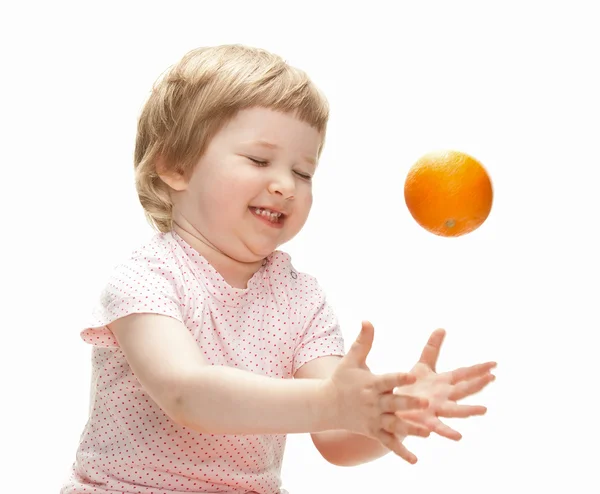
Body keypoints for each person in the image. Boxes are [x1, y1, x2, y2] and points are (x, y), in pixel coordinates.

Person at [60, 44, 496, 494]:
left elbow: (337, 438)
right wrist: (329, 402)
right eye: (259, 160)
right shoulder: (147, 278)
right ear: (176, 166)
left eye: (304, 172)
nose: (286, 185)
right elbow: (186, 393)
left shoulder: (299, 299)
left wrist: (389, 412)